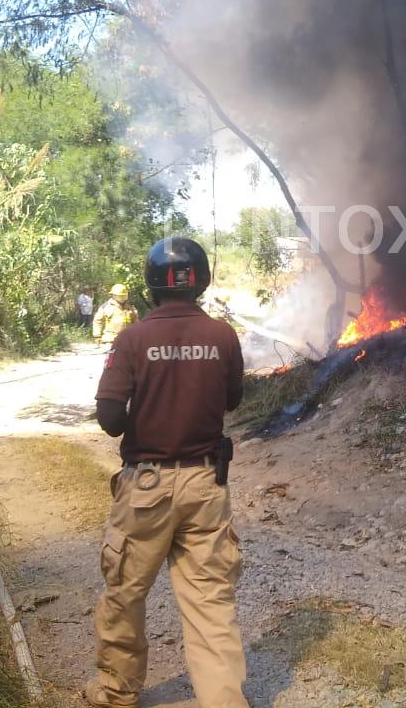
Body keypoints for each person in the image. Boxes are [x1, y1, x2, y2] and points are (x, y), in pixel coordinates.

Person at [84, 237, 248, 708]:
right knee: (211, 601)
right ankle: (225, 701)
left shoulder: (132, 338)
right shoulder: (223, 336)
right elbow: (233, 399)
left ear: (150, 282)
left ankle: (116, 692)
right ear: (201, 280)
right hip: (206, 485)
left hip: (147, 489)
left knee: (125, 594)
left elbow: (110, 418)